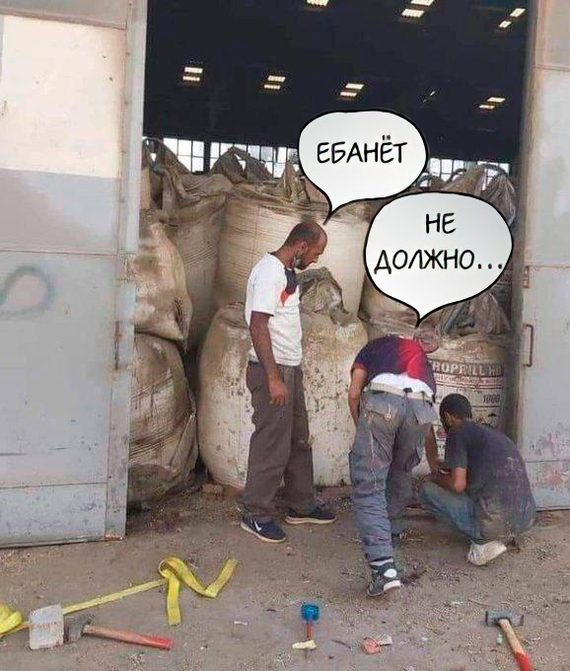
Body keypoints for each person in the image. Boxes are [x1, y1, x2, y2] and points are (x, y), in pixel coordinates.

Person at [240, 221, 336, 543]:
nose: (316, 259)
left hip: (289, 369)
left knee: (298, 440)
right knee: (271, 444)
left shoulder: (285, 272)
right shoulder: (269, 272)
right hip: (273, 370)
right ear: (301, 246)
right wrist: (272, 377)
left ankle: (301, 506)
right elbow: (258, 325)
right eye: (316, 253)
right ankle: (255, 514)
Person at [348, 331, 439, 596]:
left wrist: (361, 426)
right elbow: (428, 409)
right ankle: (392, 535)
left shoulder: (372, 347)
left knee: (369, 485)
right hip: (420, 407)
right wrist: (434, 463)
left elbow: (354, 393)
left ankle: (383, 568)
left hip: (383, 403)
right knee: (401, 472)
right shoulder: (418, 354)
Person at [420, 393, 536, 566]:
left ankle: (483, 541)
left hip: (495, 523)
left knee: (426, 490)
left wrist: (435, 477)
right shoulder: (493, 434)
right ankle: (505, 535)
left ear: (448, 417)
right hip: (525, 519)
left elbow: (458, 485)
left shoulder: (457, 431)